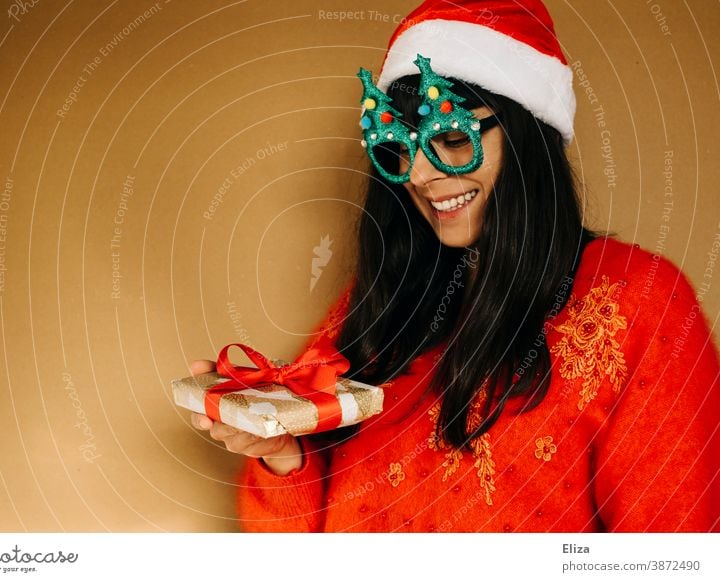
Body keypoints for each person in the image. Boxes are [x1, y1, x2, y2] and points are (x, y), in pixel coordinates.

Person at [189, 0, 720, 532]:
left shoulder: (638, 302)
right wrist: (282, 453)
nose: (418, 174)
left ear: (526, 137)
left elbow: (675, 548)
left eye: (452, 138)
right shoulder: (384, 297)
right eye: (400, 147)